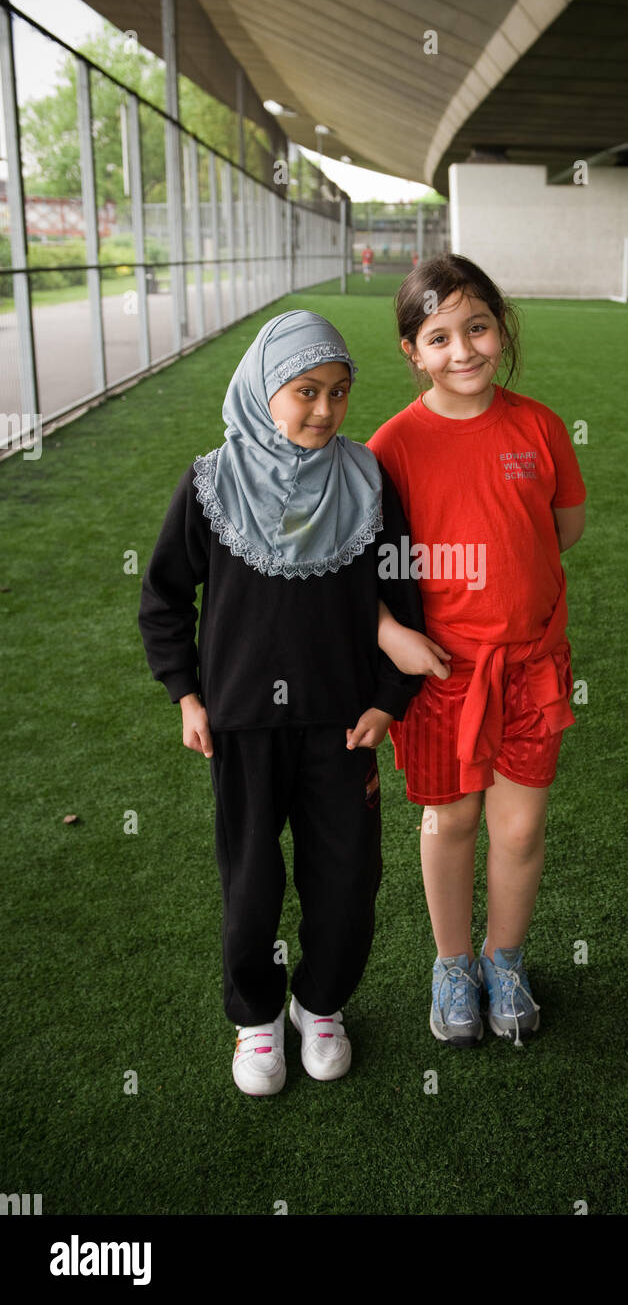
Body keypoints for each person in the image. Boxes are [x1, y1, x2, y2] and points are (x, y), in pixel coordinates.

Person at [139, 311, 444, 1096]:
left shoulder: (366, 479)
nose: (323, 409)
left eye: (339, 393)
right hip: (241, 726)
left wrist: (388, 700)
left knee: (347, 880)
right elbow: (165, 600)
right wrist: (186, 696)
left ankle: (321, 1003)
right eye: (304, 390)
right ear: (261, 389)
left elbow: (398, 592)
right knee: (250, 883)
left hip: (343, 728)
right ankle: (256, 1017)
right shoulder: (210, 481)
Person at [370, 254, 587, 1049]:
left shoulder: (538, 426)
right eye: (438, 337)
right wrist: (396, 634)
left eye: (477, 327)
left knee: (520, 829)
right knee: (450, 819)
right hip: (440, 676)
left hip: (529, 663)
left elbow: (562, 531)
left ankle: (505, 959)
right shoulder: (390, 445)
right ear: (412, 352)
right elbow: (363, 568)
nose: (462, 351)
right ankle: (452, 963)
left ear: (499, 329)